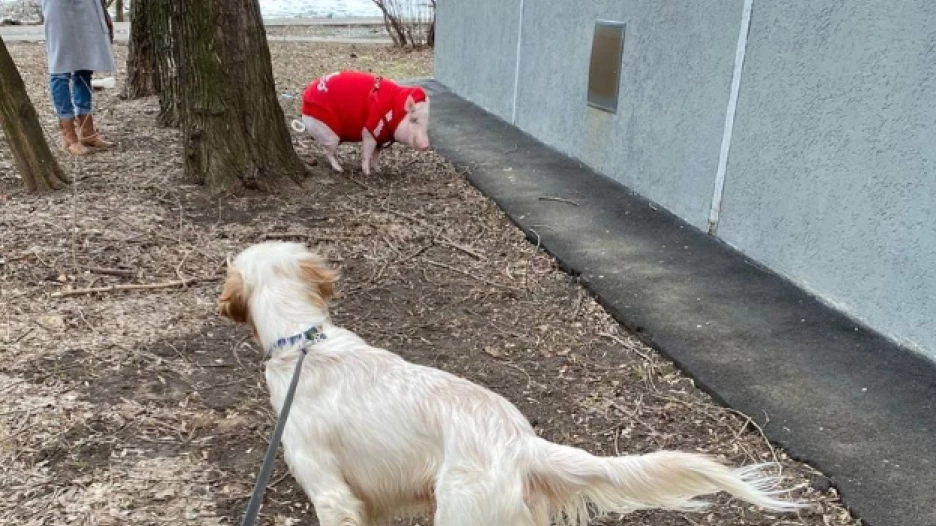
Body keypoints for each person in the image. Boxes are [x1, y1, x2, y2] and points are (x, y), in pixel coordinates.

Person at [41, 0, 116, 155]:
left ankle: (87, 131)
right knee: (60, 68)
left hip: (87, 5)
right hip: (58, 6)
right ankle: (70, 137)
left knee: (85, 65)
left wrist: (103, 11)